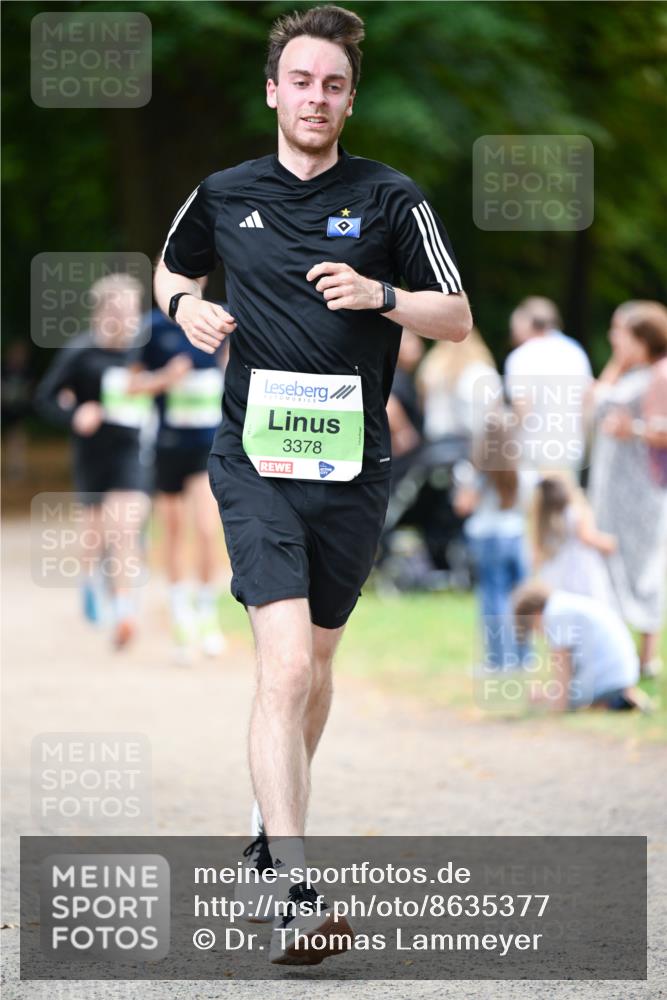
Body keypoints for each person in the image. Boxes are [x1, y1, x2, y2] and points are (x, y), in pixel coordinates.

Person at [154, 4, 471, 965]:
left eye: (333, 85)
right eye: (300, 81)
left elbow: (455, 316)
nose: (315, 97)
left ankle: (265, 829)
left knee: (317, 666)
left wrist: (381, 295)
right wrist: (186, 308)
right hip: (253, 459)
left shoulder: (391, 199)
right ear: (272, 91)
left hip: (352, 468)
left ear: (349, 99)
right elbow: (170, 271)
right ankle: (291, 889)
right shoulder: (223, 193)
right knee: (286, 666)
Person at [34, 274, 152, 648]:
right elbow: (45, 398)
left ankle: (124, 612)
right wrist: (75, 415)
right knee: (95, 535)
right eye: (119, 311)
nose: (127, 319)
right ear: (101, 312)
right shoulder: (80, 352)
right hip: (91, 454)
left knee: (125, 527)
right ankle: (89, 579)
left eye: (132, 311)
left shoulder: (142, 352)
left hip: (130, 451)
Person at [129, 306, 227, 662]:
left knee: (206, 528)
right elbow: (131, 385)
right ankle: (180, 618)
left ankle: (207, 614)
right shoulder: (152, 327)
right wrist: (166, 377)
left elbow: (234, 371)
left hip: (207, 446)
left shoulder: (221, 317)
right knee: (172, 532)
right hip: (168, 446)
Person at [587, 300, 667, 676]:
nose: (613, 338)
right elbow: (597, 399)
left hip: (641, 490)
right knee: (611, 566)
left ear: (642, 337)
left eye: (621, 333)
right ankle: (618, 655)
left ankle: (645, 658)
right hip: (614, 490)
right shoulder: (634, 372)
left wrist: (631, 430)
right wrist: (619, 362)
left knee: (643, 568)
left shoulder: (660, 374)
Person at [454, 408, 530, 669]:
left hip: (486, 536)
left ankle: (497, 660)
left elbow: (463, 505)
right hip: (515, 533)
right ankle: (523, 656)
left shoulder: (473, 470)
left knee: (493, 598)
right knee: (520, 597)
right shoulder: (520, 467)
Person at [511, 580, 648, 712]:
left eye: (535, 628)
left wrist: (556, 708)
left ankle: (614, 701)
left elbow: (563, 669)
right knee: (565, 694)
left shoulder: (555, 613)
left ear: (535, 615)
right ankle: (621, 696)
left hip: (608, 679)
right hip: (621, 674)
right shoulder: (564, 603)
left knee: (570, 698)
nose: (540, 635)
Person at [504, 297, 592, 475]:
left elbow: (523, 407)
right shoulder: (576, 352)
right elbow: (587, 402)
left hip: (533, 452)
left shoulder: (522, 356)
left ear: (527, 322)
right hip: (571, 449)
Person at [532, 474, 617, 606]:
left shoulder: (543, 520)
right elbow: (587, 537)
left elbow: (536, 554)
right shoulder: (577, 511)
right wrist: (608, 543)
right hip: (580, 575)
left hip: (553, 576)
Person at [416, 325, 501, 442]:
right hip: (470, 442)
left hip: (436, 440)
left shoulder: (432, 367)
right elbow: (492, 412)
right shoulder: (481, 371)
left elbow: (423, 404)